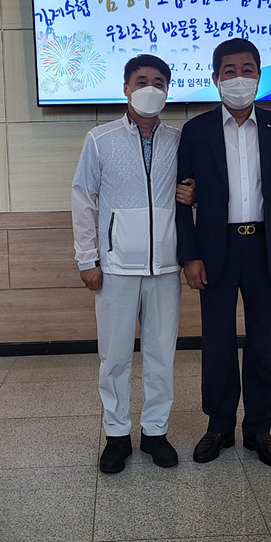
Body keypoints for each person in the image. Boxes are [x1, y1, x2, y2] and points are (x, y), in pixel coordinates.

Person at [175, 38, 271, 468]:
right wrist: (190, 255)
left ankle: (259, 428)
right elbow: (182, 198)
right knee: (218, 340)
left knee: (264, 340)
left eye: (247, 70)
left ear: (259, 77)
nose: (239, 78)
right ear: (215, 78)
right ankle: (219, 425)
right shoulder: (196, 131)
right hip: (216, 249)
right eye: (229, 71)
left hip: (264, 247)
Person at [71, 54, 195, 474]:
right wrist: (87, 258)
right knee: (115, 357)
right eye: (142, 81)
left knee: (161, 356)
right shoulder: (100, 139)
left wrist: (194, 196)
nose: (150, 89)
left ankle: (156, 432)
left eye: (159, 82)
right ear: (126, 88)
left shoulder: (179, 140)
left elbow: (194, 190)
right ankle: (117, 435)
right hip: (115, 267)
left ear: (168, 91)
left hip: (165, 268)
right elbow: (83, 199)